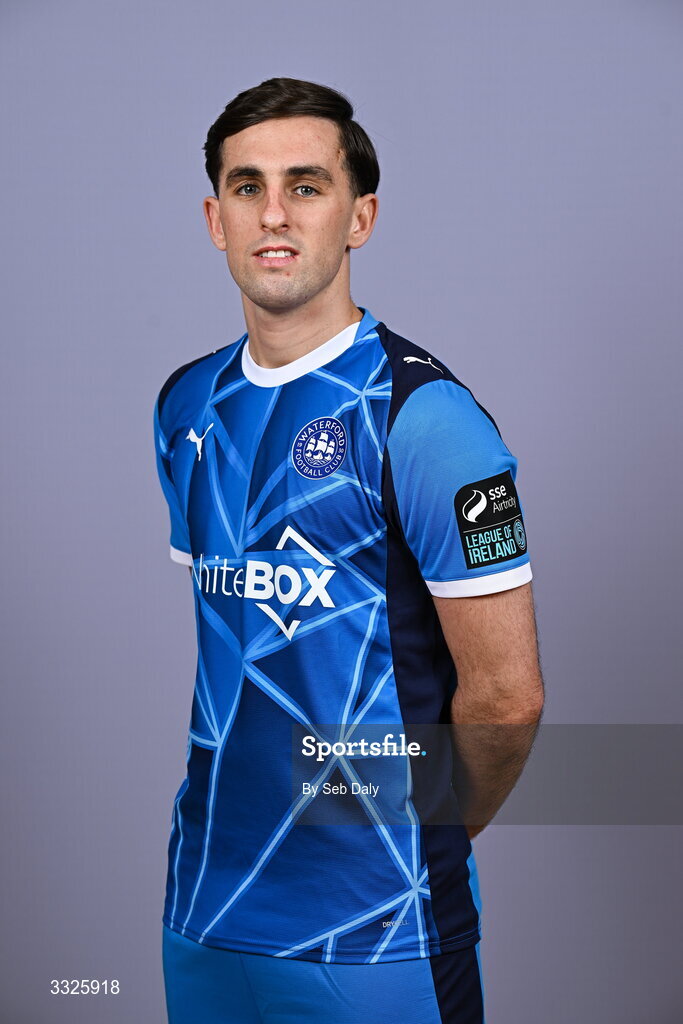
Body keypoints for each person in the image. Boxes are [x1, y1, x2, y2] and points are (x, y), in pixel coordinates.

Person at [153, 76, 544, 1024]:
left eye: (307, 185)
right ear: (215, 218)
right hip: (204, 911)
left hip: (376, 932)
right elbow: (230, 643)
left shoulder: (427, 419)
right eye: (247, 188)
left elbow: (506, 697)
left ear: (359, 216)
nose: (274, 214)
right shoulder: (184, 406)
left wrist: (411, 835)